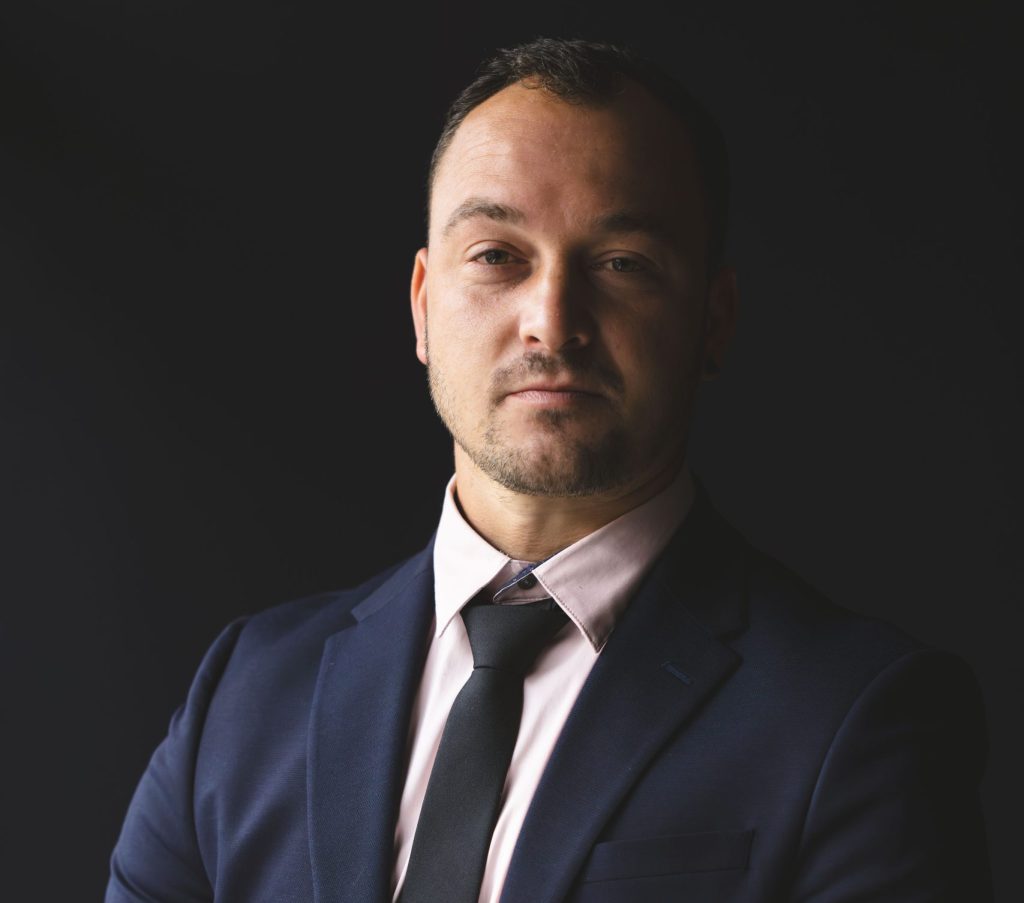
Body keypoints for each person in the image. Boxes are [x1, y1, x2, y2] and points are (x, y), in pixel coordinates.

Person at [105, 38, 992, 903]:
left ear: (713, 320)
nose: (552, 321)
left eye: (622, 264)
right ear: (422, 306)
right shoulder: (247, 692)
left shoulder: (854, 716)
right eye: (497, 255)